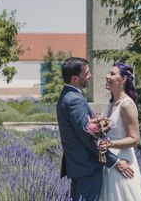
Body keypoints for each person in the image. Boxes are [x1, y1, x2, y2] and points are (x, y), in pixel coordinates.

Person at [56, 57, 134, 201]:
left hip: (79, 166)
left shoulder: (66, 96)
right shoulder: (74, 100)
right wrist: (115, 162)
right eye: (86, 74)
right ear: (74, 78)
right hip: (87, 167)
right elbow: (87, 137)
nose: (90, 76)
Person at [99, 62, 141, 201]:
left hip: (123, 161)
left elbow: (135, 139)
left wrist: (109, 144)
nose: (107, 76)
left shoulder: (126, 104)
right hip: (110, 161)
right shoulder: (111, 103)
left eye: (112, 74)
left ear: (124, 79)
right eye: (108, 73)